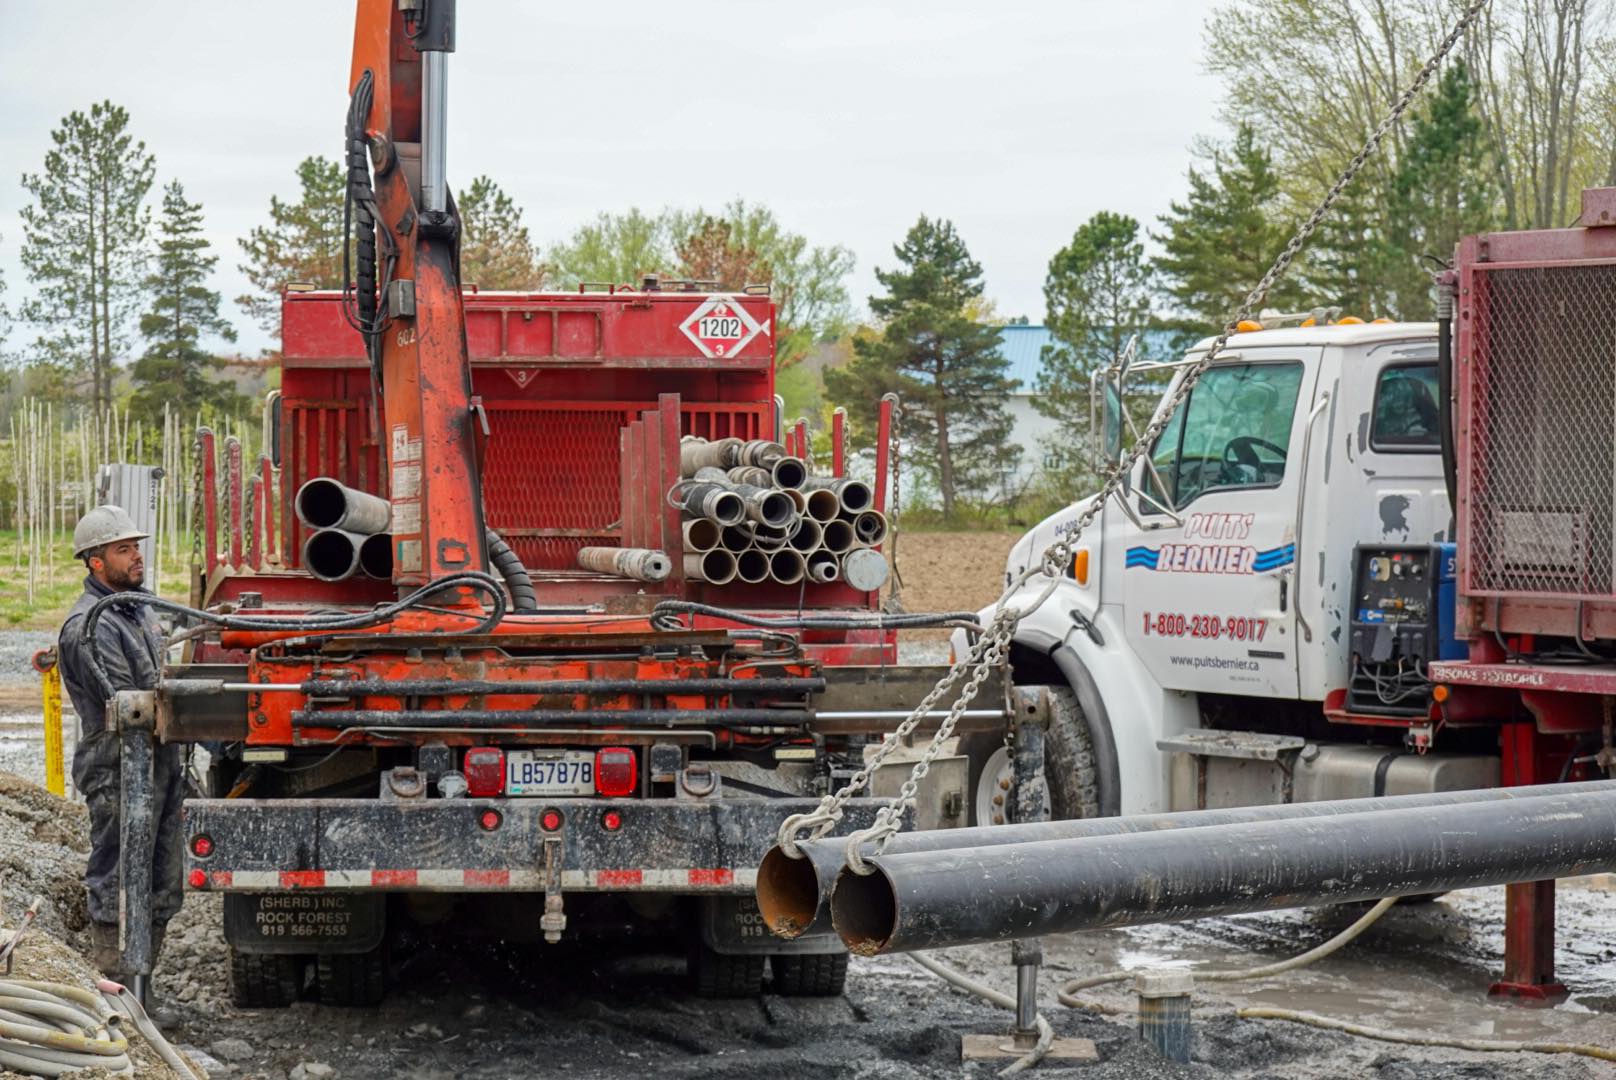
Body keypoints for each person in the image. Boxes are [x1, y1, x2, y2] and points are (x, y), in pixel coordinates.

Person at [57, 504, 184, 979]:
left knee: (161, 877)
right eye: (123, 549)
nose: (137, 557)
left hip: (160, 762)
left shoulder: (136, 609)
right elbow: (130, 700)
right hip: (117, 765)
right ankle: (118, 992)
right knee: (117, 876)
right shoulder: (91, 625)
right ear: (95, 561)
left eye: (137, 547)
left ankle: (143, 993)